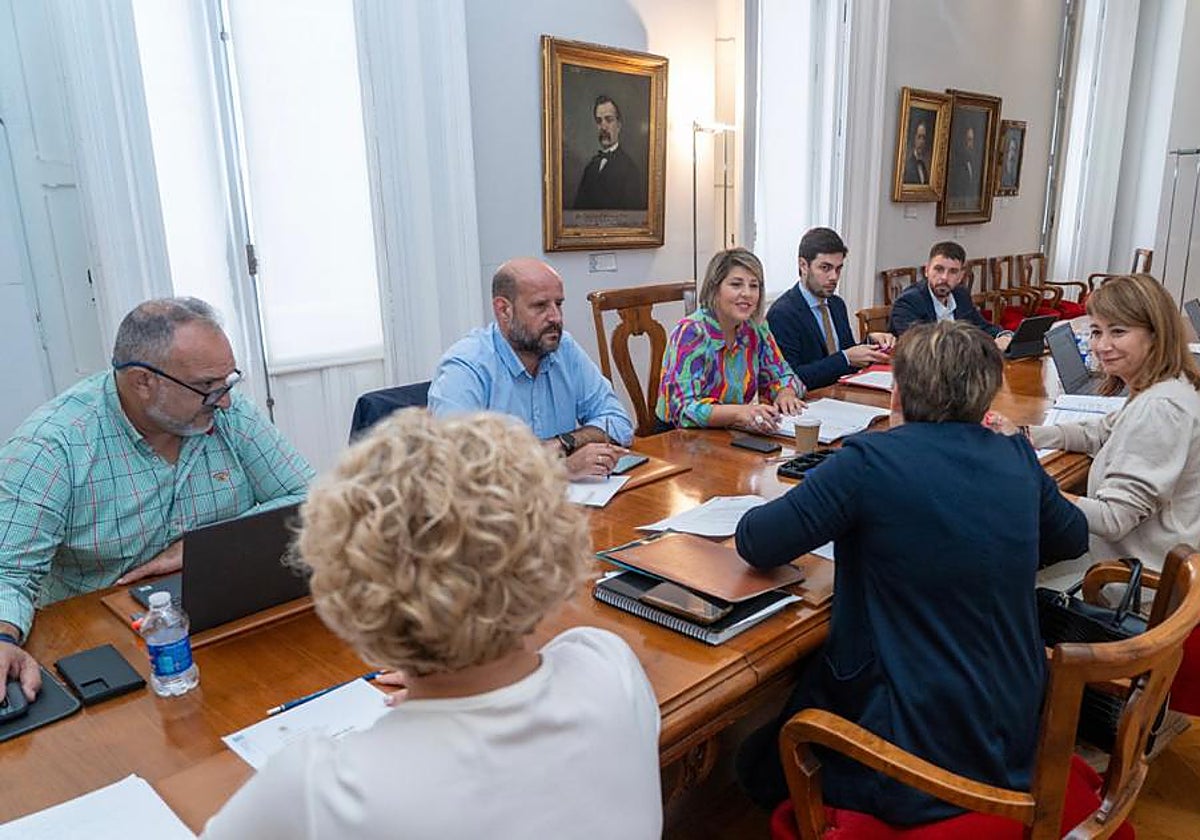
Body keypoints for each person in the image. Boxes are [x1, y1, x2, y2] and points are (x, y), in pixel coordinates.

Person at [201, 410, 663, 839]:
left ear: (348, 588)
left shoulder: (314, 792)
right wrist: (463, 666)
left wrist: (442, 673)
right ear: (550, 549)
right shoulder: (609, 665)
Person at [733, 320, 1087, 824]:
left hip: (907, 752)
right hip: (1014, 722)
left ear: (898, 390)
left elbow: (757, 541)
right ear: (985, 394)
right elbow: (1071, 538)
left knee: (755, 764)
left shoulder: (870, 461)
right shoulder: (1013, 452)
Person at [0, 297, 314, 701]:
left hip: (218, 617)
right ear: (142, 382)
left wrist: (199, 547)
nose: (224, 400)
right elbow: (9, 572)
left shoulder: (224, 412)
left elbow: (309, 498)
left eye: (228, 381)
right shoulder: (51, 448)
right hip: (98, 642)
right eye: (205, 387)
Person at [987, 273, 1200, 589]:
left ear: (1156, 335)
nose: (1102, 345)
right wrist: (1026, 435)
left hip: (1129, 584)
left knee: (996, 586)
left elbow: (1113, 519)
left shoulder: (1160, 409)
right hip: (1135, 560)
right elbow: (1101, 430)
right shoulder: (1168, 386)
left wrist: (1036, 488)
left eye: (1118, 332)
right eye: (1096, 332)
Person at [428, 258, 632, 480]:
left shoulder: (564, 349)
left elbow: (618, 422)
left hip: (569, 505)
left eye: (559, 304)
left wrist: (565, 443)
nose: (556, 317)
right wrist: (556, 467)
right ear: (504, 309)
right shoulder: (466, 367)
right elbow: (456, 469)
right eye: (540, 306)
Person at [656, 247, 804, 431]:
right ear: (714, 288)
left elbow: (783, 374)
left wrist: (785, 393)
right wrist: (739, 413)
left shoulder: (756, 328)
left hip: (731, 433)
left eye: (754, 285)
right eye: (736, 284)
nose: (747, 294)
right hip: (680, 439)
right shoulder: (691, 332)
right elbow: (683, 409)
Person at [767, 227, 895, 389]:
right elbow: (791, 377)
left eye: (838, 269)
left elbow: (847, 353)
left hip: (842, 393)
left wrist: (870, 343)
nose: (834, 277)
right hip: (809, 401)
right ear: (803, 265)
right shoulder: (783, 313)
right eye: (825, 268)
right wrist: (845, 359)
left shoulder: (836, 304)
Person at [889, 240, 1013, 351]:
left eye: (953, 272)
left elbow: (981, 327)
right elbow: (921, 344)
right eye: (939, 269)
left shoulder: (961, 295)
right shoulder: (909, 301)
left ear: (960, 277)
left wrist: (1004, 336)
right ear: (926, 271)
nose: (944, 277)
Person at [571, 95, 646, 211]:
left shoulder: (630, 169)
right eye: (599, 121)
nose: (603, 126)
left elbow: (632, 220)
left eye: (609, 120)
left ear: (619, 125)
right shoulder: (591, 167)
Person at [947, 125, 983, 206]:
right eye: (968, 139)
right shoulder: (955, 164)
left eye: (971, 140)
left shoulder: (975, 163)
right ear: (962, 141)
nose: (970, 144)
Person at [902, 119, 930, 185]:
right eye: (919, 137)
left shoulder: (923, 167)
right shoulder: (907, 166)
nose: (921, 141)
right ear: (914, 138)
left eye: (924, 138)